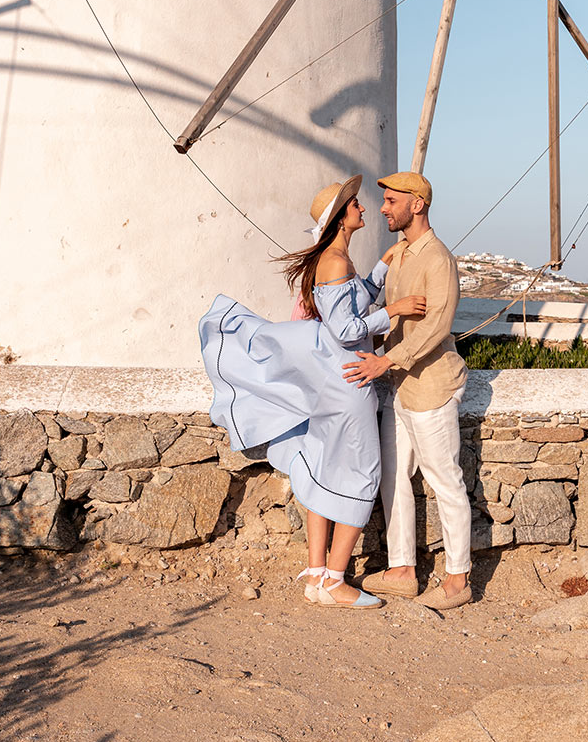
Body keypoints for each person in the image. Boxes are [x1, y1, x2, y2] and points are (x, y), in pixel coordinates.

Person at [197, 175, 426, 609]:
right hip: (350, 381)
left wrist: (381, 265)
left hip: (334, 382)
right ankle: (336, 583)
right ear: (342, 217)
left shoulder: (336, 258)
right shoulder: (336, 262)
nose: (365, 208)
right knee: (363, 474)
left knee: (324, 468)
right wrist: (393, 310)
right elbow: (345, 328)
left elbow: (351, 303)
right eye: (356, 204)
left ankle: (318, 576)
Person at [343, 172, 472, 610]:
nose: (382, 208)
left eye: (391, 200)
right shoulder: (399, 254)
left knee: (445, 481)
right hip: (397, 388)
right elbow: (383, 313)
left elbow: (437, 326)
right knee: (393, 477)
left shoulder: (438, 259)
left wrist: (385, 361)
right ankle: (402, 570)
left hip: (431, 387)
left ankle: (458, 579)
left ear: (417, 204)